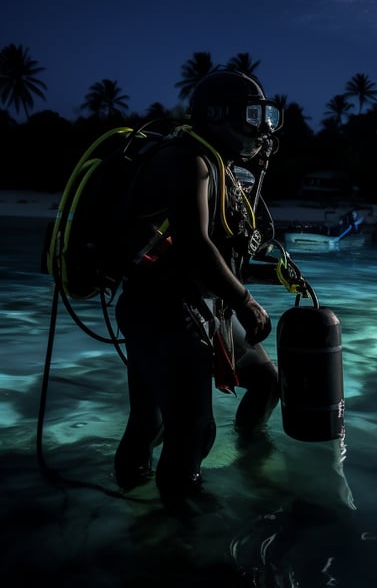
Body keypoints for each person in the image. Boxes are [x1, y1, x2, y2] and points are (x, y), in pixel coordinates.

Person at [113, 70, 285, 512]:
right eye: (252, 115)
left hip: (204, 310)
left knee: (265, 382)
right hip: (164, 314)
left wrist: (260, 281)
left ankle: (250, 455)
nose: (261, 127)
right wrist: (244, 301)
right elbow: (193, 244)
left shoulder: (217, 163)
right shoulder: (187, 159)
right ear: (215, 115)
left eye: (266, 115)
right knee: (177, 430)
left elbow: (226, 246)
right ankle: (169, 528)